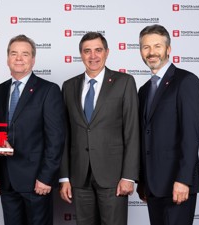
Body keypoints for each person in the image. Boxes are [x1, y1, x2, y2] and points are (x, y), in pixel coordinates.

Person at [59, 32, 140, 225]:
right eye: (87, 51)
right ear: (81, 54)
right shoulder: (69, 86)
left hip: (113, 177)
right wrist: (64, 178)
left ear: (107, 52)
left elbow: (132, 131)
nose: (93, 56)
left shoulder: (124, 82)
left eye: (98, 50)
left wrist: (128, 176)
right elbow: (65, 136)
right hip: (79, 177)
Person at [0, 34, 65, 225]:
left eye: (25, 54)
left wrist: (46, 178)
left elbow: (56, 139)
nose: (19, 58)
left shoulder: (48, 90)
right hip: (6, 181)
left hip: (36, 181)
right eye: (14, 54)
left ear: (33, 59)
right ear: (7, 59)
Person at [136, 24, 199, 225]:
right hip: (153, 186)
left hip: (178, 184)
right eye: (146, 47)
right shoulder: (144, 90)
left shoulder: (186, 81)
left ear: (168, 49)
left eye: (157, 46)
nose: (151, 52)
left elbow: (191, 136)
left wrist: (184, 179)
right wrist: (143, 181)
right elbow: (145, 136)